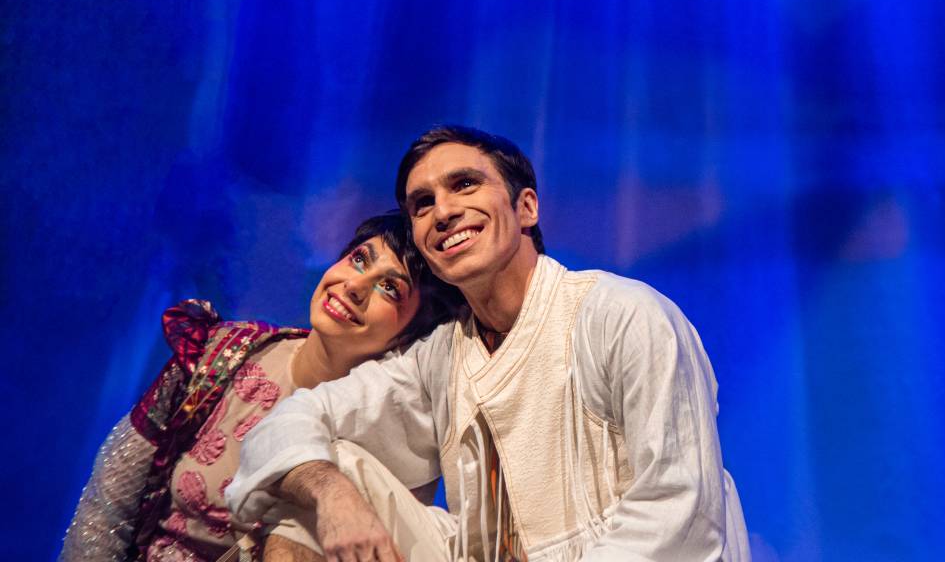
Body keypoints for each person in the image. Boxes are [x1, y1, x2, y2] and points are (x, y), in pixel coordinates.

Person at [228, 126, 749, 561]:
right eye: (423, 203)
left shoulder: (621, 314)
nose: (444, 211)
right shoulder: (442, 355)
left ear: (526, 208)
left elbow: (681, 513)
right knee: (319, 477)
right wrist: (331, 494)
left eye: (465, 185)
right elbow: (292, 420)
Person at [60, 212, 455, 562]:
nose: (354, 286)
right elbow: (110, 500)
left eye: (390, 288)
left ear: (412, 335)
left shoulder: (392, 443)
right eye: (358, 260)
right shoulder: (224, 351)